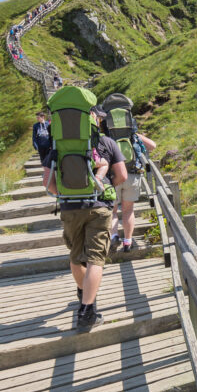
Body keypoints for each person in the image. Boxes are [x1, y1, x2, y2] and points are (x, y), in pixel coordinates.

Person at [42, 107, 128, 331]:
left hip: (70, 207)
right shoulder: (106, 143)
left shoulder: (58, 146)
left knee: (75, 256)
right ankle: (87, 311)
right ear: (94, 121)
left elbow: (48, 183)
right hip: (99, 206)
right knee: (95, 259)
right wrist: (105, 186)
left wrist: (67, 194)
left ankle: (83, 292)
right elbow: (122, 176)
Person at [111, 127, 157, 252]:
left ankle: (114, 236)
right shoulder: (132, 134)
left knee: (112, 211)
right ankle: (128, 242)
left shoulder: (105, 134)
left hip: (113, 176)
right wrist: (137, 136)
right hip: (132, 175)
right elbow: (153, 145)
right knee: (128, 210)